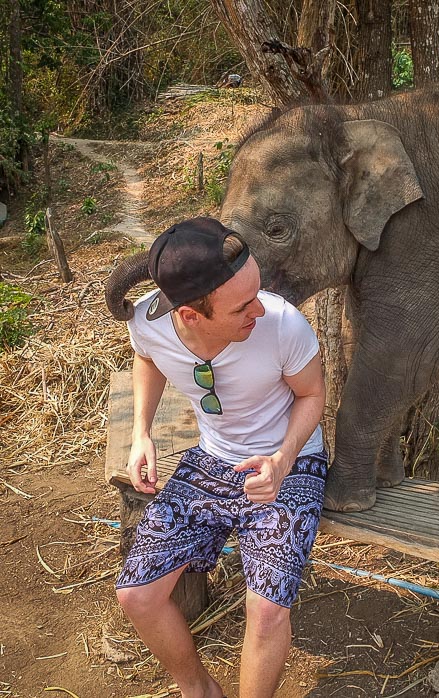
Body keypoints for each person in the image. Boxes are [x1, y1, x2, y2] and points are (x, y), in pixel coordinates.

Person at [115, 217, 327, 698]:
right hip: (213, 459)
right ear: (190, 315)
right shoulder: (151, 322)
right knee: (137, 595)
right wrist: (141, 433)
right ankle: (199, 690)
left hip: (290, 462)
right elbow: (147, 358)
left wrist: (283, 458)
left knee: (269, 609)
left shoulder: (281, 323)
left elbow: (313, 395)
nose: (260, 307)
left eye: (257, 290)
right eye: (241, 306)